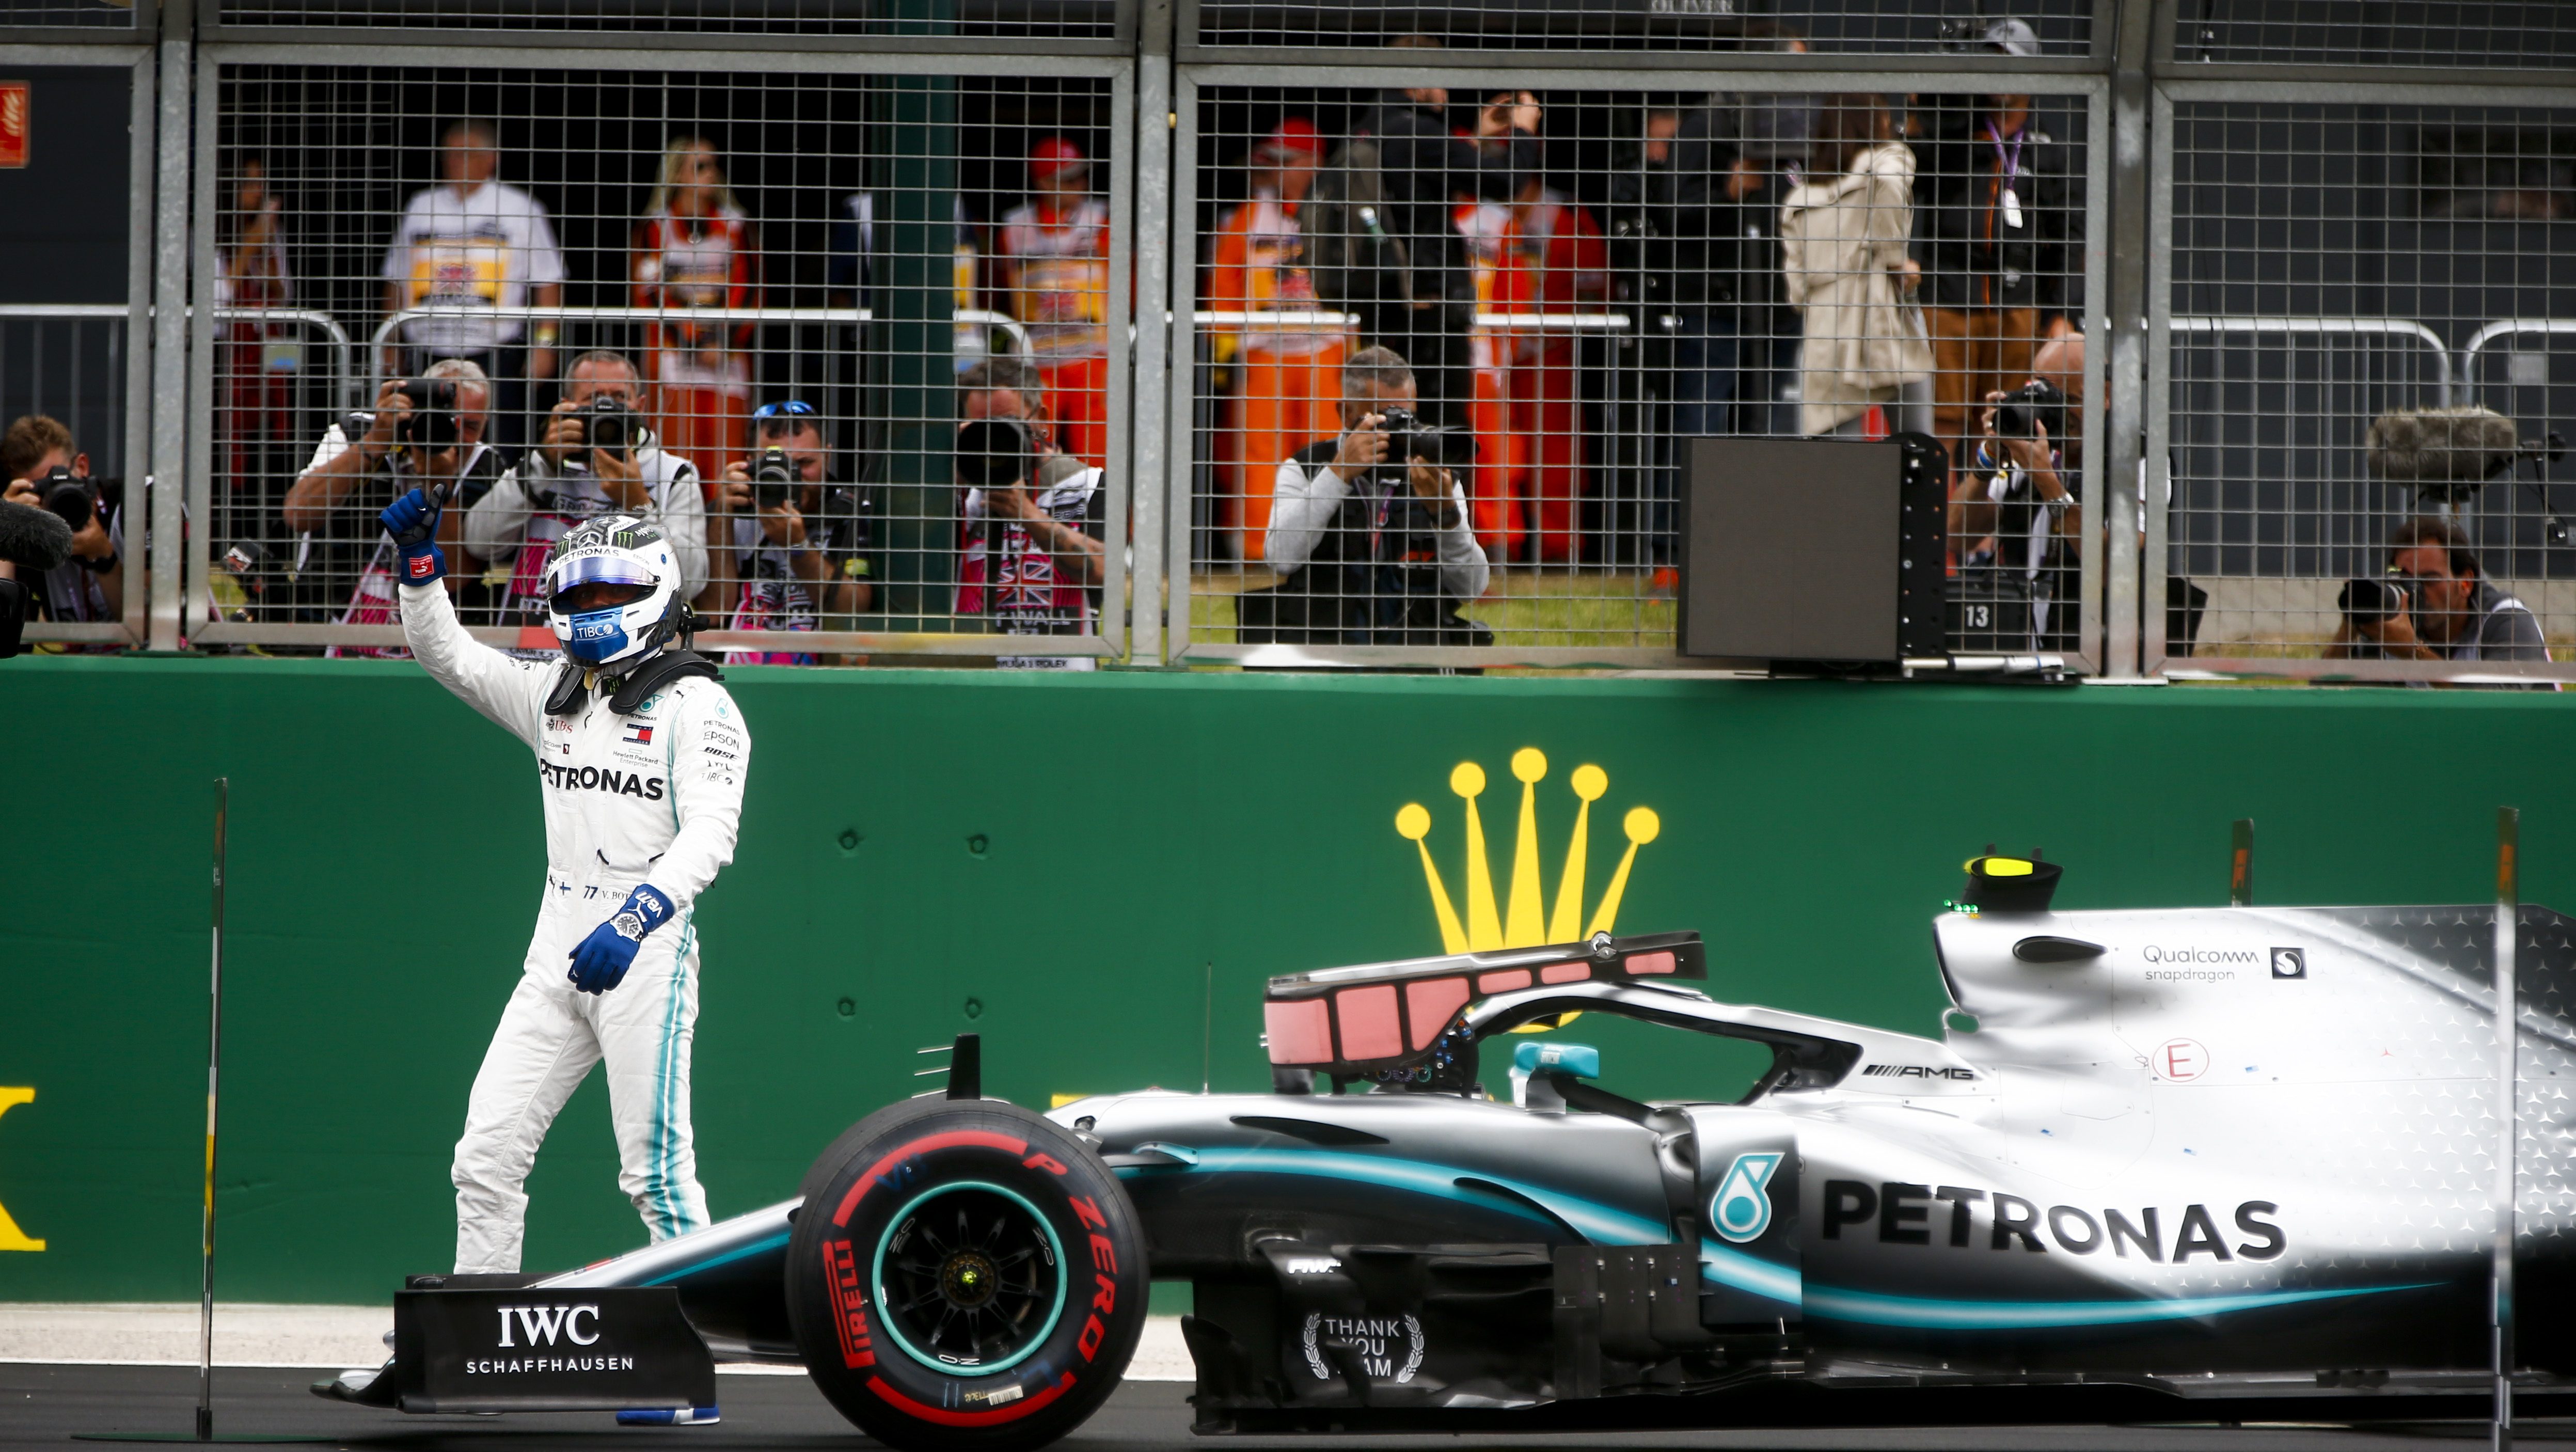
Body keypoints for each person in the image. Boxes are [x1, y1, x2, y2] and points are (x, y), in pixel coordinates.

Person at [372, 483, 748, 1314]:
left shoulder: (703, 706)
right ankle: (474, 1331)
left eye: (610, 591)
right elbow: (450, 657)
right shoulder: (553, 693)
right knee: (484, 1157)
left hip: (645, 956)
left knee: (655, 1175)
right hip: (555, 959)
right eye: (576, 594)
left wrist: (636, 917)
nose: (591, 607)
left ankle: (702, 1341)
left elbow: (711, 836)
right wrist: (421, 565)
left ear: (658, 591)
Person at [1911, 20, 2084, 488]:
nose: (1999, 73)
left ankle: (1989, 529)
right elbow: (1911, 173)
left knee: (2005, 423)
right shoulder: (1953, 130)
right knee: (1941, 422)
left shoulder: (2049, 147)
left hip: (2017, 305)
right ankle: (1935, 527)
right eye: (1991, 60)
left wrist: (2061, 313)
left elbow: (2069, 240)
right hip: (1947, 298)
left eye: (2010, 62)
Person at [1344, 59, 1540, 434]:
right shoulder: (1419, 130)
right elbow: (1507, 181)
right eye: (1443, 81)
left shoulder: (1362, 130)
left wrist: (1479, 138)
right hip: (1427, 310)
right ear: (1420, 82)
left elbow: (1425, 190)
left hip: (1380, 305)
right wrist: (1522, 130)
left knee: (1386, 423)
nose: (1446, 95)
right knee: (1441, 430)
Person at [465, 350, 708, 646]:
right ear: (567, 406)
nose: (607, 408)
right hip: (529, 650)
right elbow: (479, 543)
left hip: (624, 653)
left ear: (640, 405)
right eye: (593, 398)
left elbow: (692, 581)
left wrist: (639, 504)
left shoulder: (672, 474)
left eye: (620, 398)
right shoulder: (543, 465)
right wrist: (543, 464)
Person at [1254, 345, 1490, 645]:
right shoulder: (1305, 467)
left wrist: (1445, 514)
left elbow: (1472, 589)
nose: (1399, 431)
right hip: (1326, 645)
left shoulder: (1433, 473)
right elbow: (1280, 559)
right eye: (1385, 418)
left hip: (1412, 647)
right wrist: (1337, 475)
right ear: (1346, 413)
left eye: (1407, 417)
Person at [283, 357, 504, 653]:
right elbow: (298, 514)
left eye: (471, 426)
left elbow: (455, 579)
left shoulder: (485, 467)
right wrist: (375, 443)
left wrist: (438, 486)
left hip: (431, 644)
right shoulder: (357, 432)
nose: (456, 436)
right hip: (326, 627)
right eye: (448, 419)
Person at [1205, 118, 1348, 562]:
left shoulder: (1340, 207)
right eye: (1272, 161)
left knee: (1327, 452)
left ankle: (1327, 552)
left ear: (1313, 163)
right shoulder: (1247, 216)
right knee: (1256, 454)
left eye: (1285, 161)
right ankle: (1253, 552)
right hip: (1263, 352)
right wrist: (1226, 351)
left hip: (1326, 350)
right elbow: (1223, 284)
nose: (1275, 171)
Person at [381, 120, 567, 449]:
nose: (457, 162)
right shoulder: (422, 205)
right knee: (423, 443)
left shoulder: (520, 207)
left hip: (495, 353)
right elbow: (395, 279)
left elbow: (548, 281)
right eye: (450, 154)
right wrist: (390, 342)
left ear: (492, 158)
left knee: (498, 445)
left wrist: (545, 346)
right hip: (426, 351)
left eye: (467, 154)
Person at [1779, 93, 1934, 438]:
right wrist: (1894, 259)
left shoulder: (1799, 200)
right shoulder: (1887, 161)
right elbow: (1892, 182)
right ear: (1877, 122)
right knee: (1916, 447)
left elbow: (1797, 292)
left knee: (1839, 457)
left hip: (1827, 331)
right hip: (1885, 315)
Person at [1493, 176, 1608, 564]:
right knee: (1497, 451)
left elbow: (1594, 285)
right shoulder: (1480, 211)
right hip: (1494, 352)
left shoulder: (1565, 214)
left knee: (1556, 454)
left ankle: (1559, 549)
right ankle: (1501, 545)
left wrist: (1561, 333)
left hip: (1550, 354)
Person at [709, 400, 875, 665]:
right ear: (750, 463)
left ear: (828, 456)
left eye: (804, 464)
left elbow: (853, 609)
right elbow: (714, 610)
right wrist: (722, 516)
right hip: (735, 670)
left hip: (821, 674)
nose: (792, 477)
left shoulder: (852, 513)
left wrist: (797, 545)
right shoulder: (731, 509)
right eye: (779, 468)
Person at [633, 137, 760, 477]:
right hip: (673, 354)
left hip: (725, 355)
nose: (711, 173)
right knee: (675, 452)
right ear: (677, 174)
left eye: (714, 165)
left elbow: (749, 290)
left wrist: (721, 341)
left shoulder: (736, 226)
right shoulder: (655, 227)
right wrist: (693, 340)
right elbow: (648, 292)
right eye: (700, 167)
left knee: (726, 453)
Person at [954, 415, 1108, 668]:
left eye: (1009, 421)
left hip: (1063, 670)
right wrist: (942, 469)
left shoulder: (1085, 484)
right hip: (973, 666)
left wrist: (1027, 513)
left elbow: (1104, 569)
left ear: (1040, 417)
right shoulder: (961, 489)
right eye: (981, 424)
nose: (993, 439)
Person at [997, 138, 1114, 469]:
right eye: (1070, 179)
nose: (1081, 184)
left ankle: (1100, 505)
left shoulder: (1102, 220)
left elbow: (1128, 284)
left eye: (1081, 176)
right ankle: (1036, 503)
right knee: (1034, 449)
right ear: (1044, 182)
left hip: (1091, 356)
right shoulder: (1014, 227)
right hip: (1036, 358)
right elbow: (998, 288)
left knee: (1098, 453)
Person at [2330, 515, 2552, 673]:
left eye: (2429, 580)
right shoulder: (2395, 628)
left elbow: (2496, 706)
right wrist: (2352, 622)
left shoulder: (2507, 620)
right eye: (2406, 580)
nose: (2415, 591)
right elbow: (2326, 694)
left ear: (2465, 583)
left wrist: (2415, 651)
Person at [214, 154, 295, 541]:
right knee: (231, 440)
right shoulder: (213, 231)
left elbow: (285, 291)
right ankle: (227, 532)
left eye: (261, 183)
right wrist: (256, 235)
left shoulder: (271, 233)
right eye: (249, 184)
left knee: (274, 434)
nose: (257, 192)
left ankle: (271, 534)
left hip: (271, 346)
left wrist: (267, 240)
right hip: (229, 351)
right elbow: (223, 289)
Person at [0, 415, 120, 629]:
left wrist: (103, 554)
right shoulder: (28, 537)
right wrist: (7, 531)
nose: (55, 499)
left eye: (58, 482)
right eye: (42, 489)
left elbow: (146, 627)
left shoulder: (125, 511)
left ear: (82, 467)